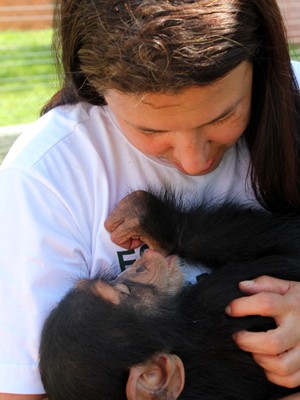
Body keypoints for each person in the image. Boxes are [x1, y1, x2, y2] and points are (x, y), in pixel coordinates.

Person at [0, 0, 300, 398]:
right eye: (150, 129)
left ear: (261, 62)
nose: (194, 163)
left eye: (222, 116)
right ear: (97, 90)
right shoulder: (47, 176)